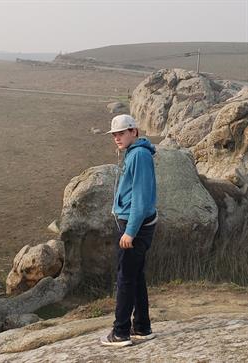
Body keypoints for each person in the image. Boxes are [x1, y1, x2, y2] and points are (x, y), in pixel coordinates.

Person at [100, 114, 158, 347]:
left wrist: (130, 232)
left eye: (121, 133)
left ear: (134, 131)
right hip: (136, 224)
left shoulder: (140, 156)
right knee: (135, 276)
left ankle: (120, 332)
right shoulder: (134, 153)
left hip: (137, 227)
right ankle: (142, 327)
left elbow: (141, 201)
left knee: (125, 278)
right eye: (114, 134)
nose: (117, 138)